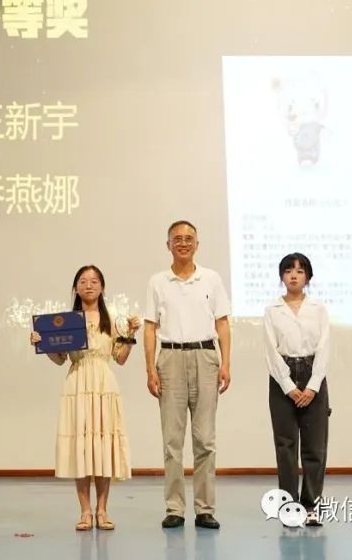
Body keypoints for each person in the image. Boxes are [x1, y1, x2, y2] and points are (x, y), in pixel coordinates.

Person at [29, 265, 138, 531]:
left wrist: (131, 334)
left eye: (94, 281)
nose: (89, 285)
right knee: (82, 446)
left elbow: (120, 358)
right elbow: (59, 359)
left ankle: (102, 510)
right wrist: (41, 343)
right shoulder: (67, 321)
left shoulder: (112, 321)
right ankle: (85, 511)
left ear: (102, 287)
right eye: (83, 281)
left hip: (103, 384)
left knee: (102, 446)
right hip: (77, 382)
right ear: (76, 288)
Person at [144, 220, 231, 530]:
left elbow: (222, 323)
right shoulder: (158, 281)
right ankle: (175, 508)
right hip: (170, 358)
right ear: (168, 244)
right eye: (177, 239)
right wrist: (150, 369)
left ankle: (205, 508)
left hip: (206, 356)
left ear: (197, 244)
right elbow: (150, 327)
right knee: (172, 440)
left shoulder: (211, 279)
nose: (183, 243)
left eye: (188, 238)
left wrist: (226, 363)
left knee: (205, 439)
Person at [263, 252, 331, 527]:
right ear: (281, 276)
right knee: (286, 446)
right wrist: (289, 386)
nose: (294, 275)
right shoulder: (272, 310)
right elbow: (270, 351)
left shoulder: (318, 309)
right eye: (288, 270)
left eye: (300, 271)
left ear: (308, 277)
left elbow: (324, 348)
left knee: (315, 447)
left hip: (313, 374)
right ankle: (290, 506)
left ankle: (311, 506)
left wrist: (312, 387)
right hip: (282, 378)